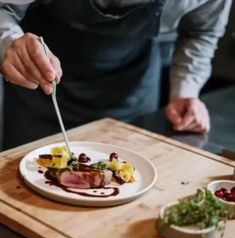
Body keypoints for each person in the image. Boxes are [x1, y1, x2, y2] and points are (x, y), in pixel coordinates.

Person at [0, 0, 232, 150]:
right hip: (38, 87)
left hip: (132, 89)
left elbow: (201, 30)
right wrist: (8, 42)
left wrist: (186, 90)